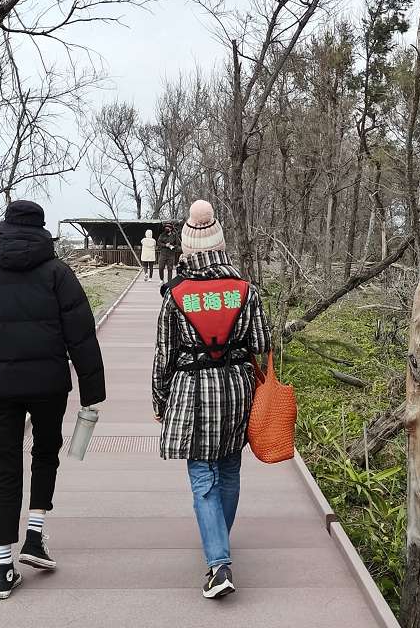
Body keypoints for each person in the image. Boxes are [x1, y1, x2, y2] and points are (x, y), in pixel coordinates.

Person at [0, 199, 106, 601]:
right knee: (45, 452)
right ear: (42, 233)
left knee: (3, 470)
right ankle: (34, 536)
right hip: (48, 383)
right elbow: (82, 334)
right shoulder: (58, 274)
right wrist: (92, 390)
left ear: (2, 231)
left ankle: (3, 569)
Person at [151, 200, 271, 600]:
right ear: (221, 243)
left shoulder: (176, 295)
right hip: (237, 388)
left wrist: (159, 398)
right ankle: (219, 543)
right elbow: (261, 344)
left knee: (203, 476)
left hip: (192, 391)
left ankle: (218, 564)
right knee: (230, 468)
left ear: (186, 246)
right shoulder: (245, 290)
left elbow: (164, 354)